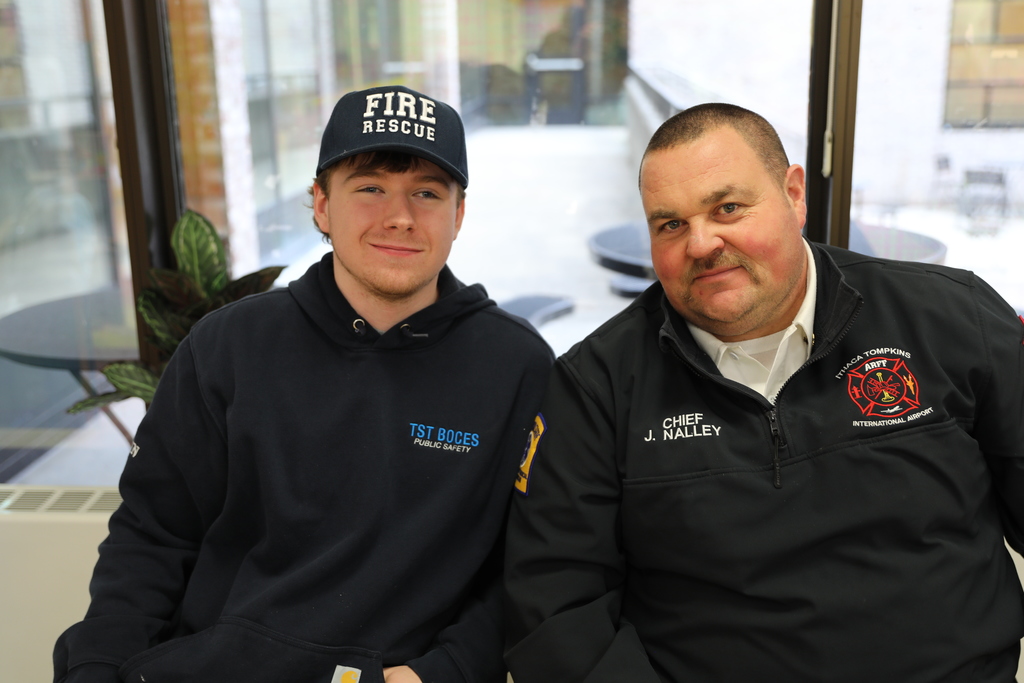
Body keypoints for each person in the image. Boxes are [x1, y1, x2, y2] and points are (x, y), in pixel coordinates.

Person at [504, 103, 1024, 682]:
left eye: (727, 207)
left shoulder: (950, 319)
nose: (701, 243)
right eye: (670, 224)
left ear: (794, 195)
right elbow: (554, 610)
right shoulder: (596, 386)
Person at [54, 85, 553, 683]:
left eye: (426, 192)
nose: (399, 216)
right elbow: (152, 534)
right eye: (370, 188)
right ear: (320, 204)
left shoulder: (516, 365)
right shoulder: (227, 347)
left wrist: (442, 671)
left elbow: (530, 564)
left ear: (458, 215)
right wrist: (97, 666)